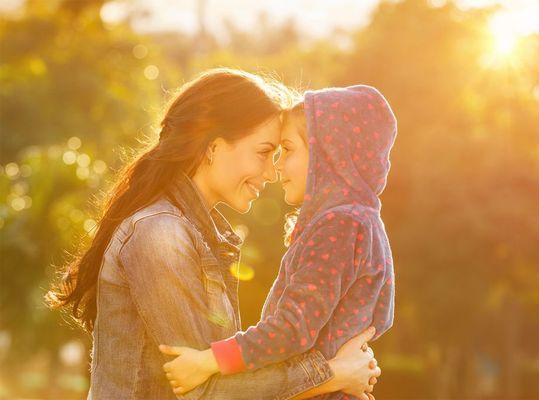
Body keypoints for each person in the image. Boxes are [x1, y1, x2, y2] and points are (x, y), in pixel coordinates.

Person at [46, 68, 381, 400]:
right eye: (264, 152)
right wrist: (334, 374)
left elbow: (219, 375)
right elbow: (205, 393)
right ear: (213, 147)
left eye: (280, 154)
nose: (271, 172)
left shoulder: (200, 235)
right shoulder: (161, 235)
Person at [160, 85, 397, 400]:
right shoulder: (362, 222)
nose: (278, 165)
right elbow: (383, 314)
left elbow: (291, 329)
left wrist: (209, 360)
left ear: (330, 157)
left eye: (288, 149)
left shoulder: (339, 226)